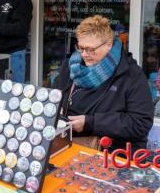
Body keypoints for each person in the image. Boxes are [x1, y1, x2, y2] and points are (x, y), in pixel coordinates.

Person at [53, 15, 154, 152]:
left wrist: (90, 123)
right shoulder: (72, 65)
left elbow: (140, 123)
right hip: (65, 145)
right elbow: (53, 99)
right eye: (80, 47)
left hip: (112, 154)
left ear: (108, 45)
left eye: (90, 49)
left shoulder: (130, 75)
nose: (84, 54)